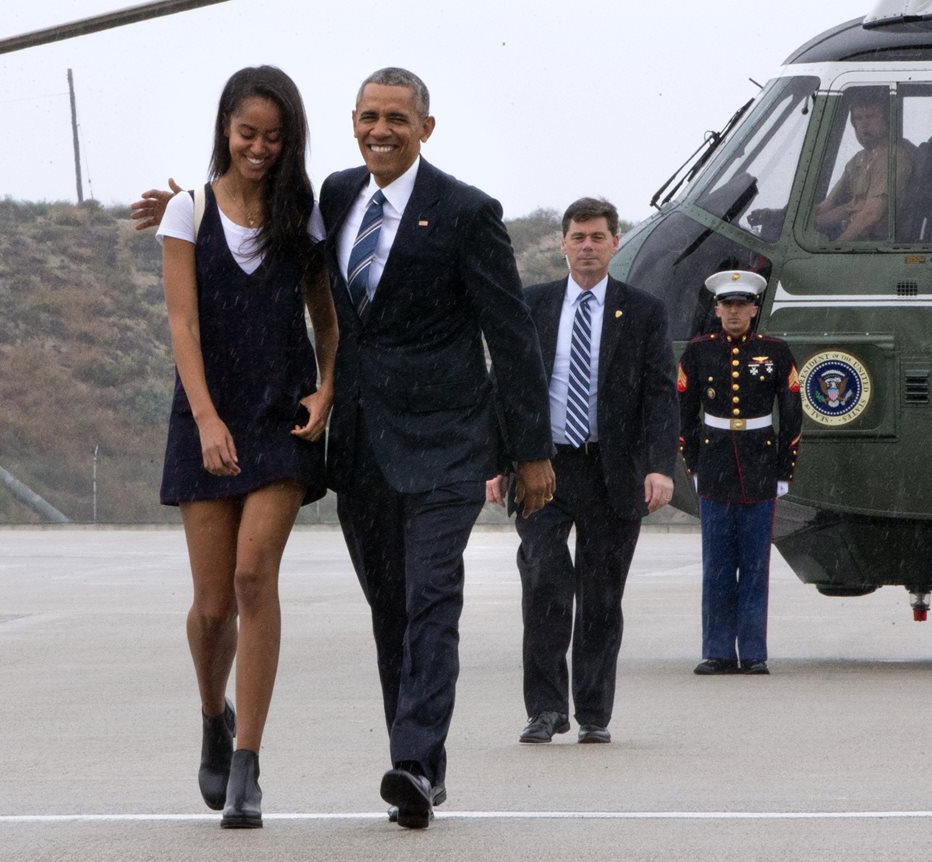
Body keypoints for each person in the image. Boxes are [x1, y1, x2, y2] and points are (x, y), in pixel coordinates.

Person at [135, 66, 554, 831]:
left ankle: (415, 765)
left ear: (426, 127)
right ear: (351, 122)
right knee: (384, 609)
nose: (380, 130)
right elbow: (246, 219)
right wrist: (180, 211)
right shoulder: (332, 196)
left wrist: (531, 450)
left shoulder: (465, 212)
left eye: (397, 117)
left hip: (443, 443)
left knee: (431, 598)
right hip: (360, 447)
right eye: (368, 116)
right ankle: (405, 760)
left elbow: (513, 336)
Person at [154, 65, 337, 828]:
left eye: (273, 136)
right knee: (210, 606)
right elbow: (184, 326)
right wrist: (205, 418)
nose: (259, 147)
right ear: (224, 129)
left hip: (281, 416)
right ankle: (211, 714)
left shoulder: (305, 215)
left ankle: (249, 765)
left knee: (254, 577)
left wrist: (327, 389)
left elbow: (325, 318)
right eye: (247, 133)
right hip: (207, 413)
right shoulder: (185, 213)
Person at [487, 198, 678, 746]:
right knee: (544, 583)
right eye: (578, 236)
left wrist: (660, 467)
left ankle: (594, 712)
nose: (588, 246)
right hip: (543, 468)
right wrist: (497, 463)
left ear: (616, 243)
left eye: (598, 236)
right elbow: (508, 389)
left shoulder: (643, 311)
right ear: (564, 243)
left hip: (612, 471)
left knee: (600, 595)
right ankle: (546, 709)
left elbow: (661, 396)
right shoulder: (534, 305)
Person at [677, 270, 801, 675]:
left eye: (741, 305)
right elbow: (684, 414)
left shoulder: (777, 351)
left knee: (754, 565)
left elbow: (793, 413)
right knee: (716, 565)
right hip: (714, 465)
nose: (733, 312)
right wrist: (693, 464)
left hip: (760, 464)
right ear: (717, 309)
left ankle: (752, 652)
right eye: (726, 305)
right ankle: (715, 651)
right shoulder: (698, 352)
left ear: (753, 308)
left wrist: (785, 468)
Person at [813, 88, 916, 242]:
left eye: (871, 116)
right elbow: (830, 205)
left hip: (876, 244)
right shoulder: (857, 161)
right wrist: (783, 218)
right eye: (858, 118)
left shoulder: (893, 157)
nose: (863, 124)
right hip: (855, 236)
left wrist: (836, 248)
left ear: (886, 120)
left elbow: (871, 215)